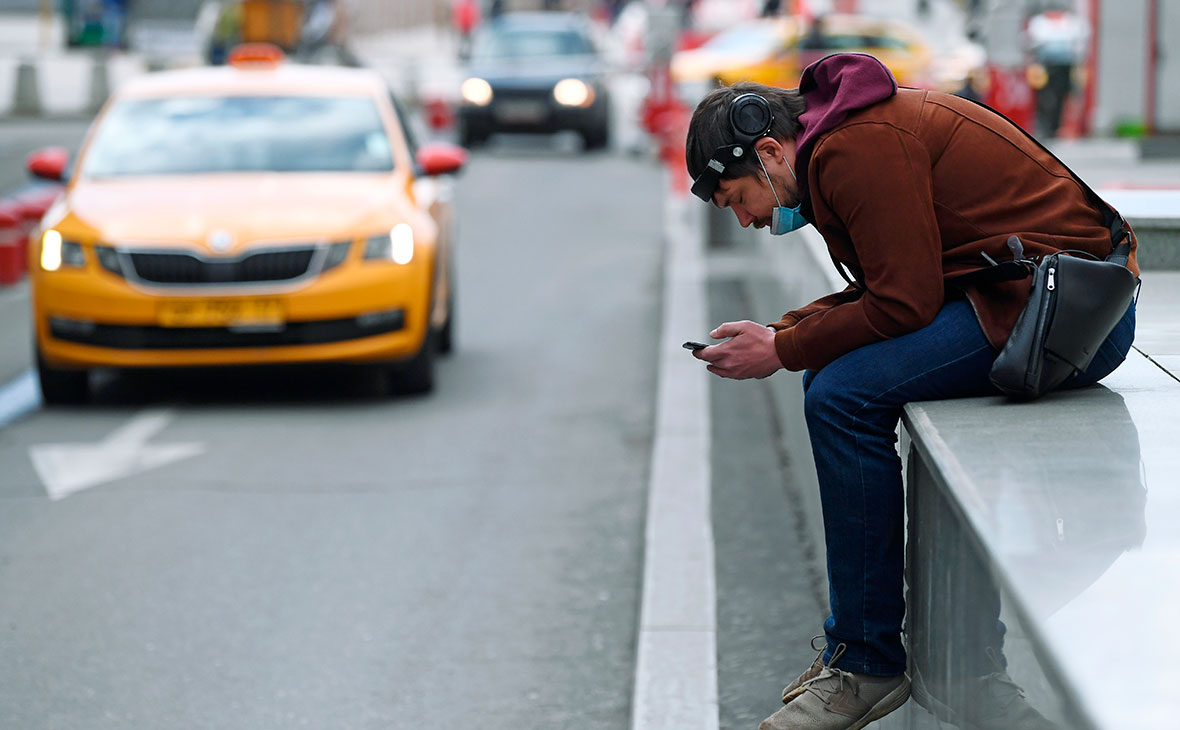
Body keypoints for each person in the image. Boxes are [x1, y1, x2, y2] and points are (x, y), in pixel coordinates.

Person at [683, 53, 1138, 730]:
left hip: (1066, 312)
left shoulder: (855, 147)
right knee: (832, 381)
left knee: (840, 396)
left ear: (772, 151)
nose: (747, 222)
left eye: (737, 200)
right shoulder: (842, 139)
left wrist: (780, 349)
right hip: (1018, 295)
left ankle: (867, 663)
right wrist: (785, 331)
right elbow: (890, 284)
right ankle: (880, 654)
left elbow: (902, 302)